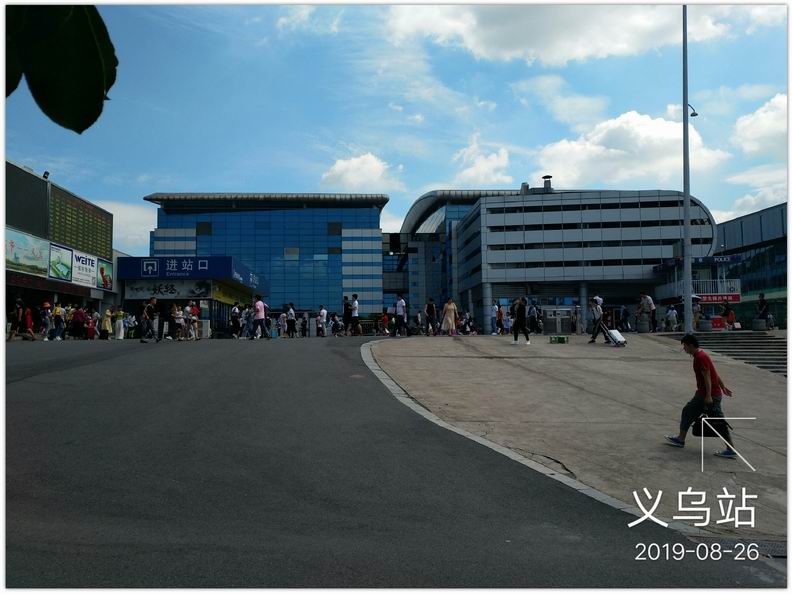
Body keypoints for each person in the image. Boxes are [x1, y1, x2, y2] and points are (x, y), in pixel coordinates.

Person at [665, 334, 737, 459]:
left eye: (685, 346)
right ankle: (680, 439)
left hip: (708, 395)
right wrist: (723, 387)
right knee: (688, 411)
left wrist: (708, 396)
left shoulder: (700, 357)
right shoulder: (701, 356)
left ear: (690, 345)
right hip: (705, 394)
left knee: (718, 422)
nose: (684, 349)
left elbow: (707, 377)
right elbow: (714, 373)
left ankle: (730, 449)